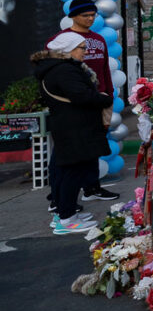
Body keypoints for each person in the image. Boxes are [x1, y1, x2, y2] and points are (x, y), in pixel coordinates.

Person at [32, 32, 114, 234]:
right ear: (68, 50)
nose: (85, 53)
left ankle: (63, 213)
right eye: (82, 48)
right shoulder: (64, 70)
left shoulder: (58, 68)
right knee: (72, 172)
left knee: (66, 171)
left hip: (69, 126)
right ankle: (67, 219)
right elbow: (81, 96)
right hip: (74, 128)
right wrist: (104, 99)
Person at [46, 0, 118, 201]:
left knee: (93, 146)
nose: (90, 19)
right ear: (73, 16)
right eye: (85, 15)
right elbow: (52, 72)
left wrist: (109, 94)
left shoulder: (99, 39)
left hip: (97, 100)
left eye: (93, 15)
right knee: (65, 152)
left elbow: (105, 70)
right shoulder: (59, 41)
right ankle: (57, 195)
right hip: (72, 104)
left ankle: (92, 187)